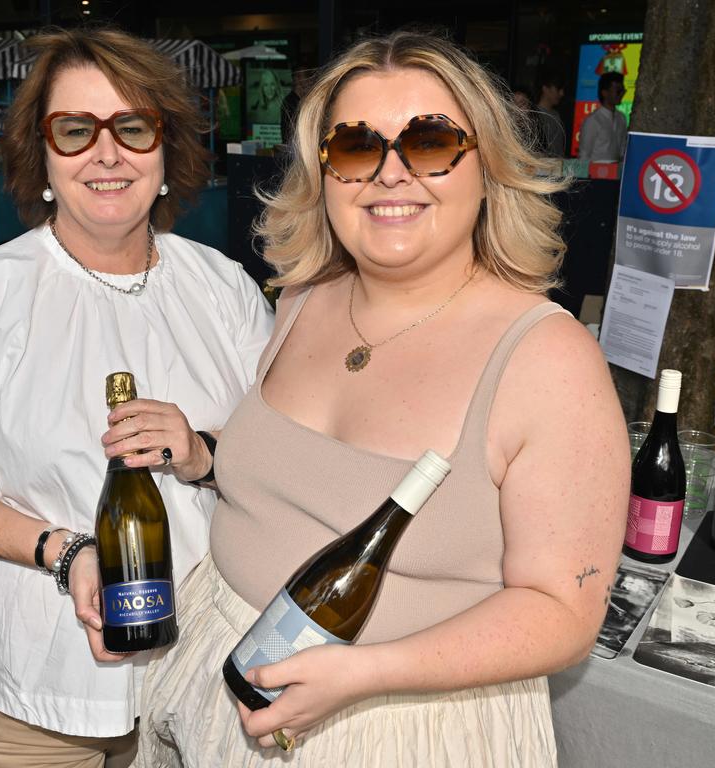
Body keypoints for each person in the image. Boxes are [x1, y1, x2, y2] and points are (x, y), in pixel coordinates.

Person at [135, 28, 629, 767]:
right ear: (325, 173)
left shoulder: (547, 359)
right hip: (219, 671)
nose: (390, 174)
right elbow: (295, 481)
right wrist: (206, 455)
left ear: (487, 168)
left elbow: (565, 613)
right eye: (357, 146)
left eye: (429, 142)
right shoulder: (303, 298)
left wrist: (365, 673)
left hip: (404, 727)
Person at [0, 26, 273, 768]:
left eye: (132, 126)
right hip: (41, 694)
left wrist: (201, 455)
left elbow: (280, 463)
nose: (107, 153)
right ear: (43, 154)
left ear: (166, 149)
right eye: (76, 129)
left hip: (202, 680)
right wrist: (66, 553)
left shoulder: (223, 289)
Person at [578, 72, 628, 164]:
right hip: (595, 174)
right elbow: (584, 155)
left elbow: (622, 151)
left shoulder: (622, 118)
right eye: (618, 91)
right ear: (604, 93)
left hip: (616, 173)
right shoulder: (593, 120)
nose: (621, 94)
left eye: (622, 91)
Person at [534, 73, 566, 157]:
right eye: (558, 89)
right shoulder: (535, 114)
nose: (562, 93)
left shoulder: (556, 114)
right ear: (545, 89)